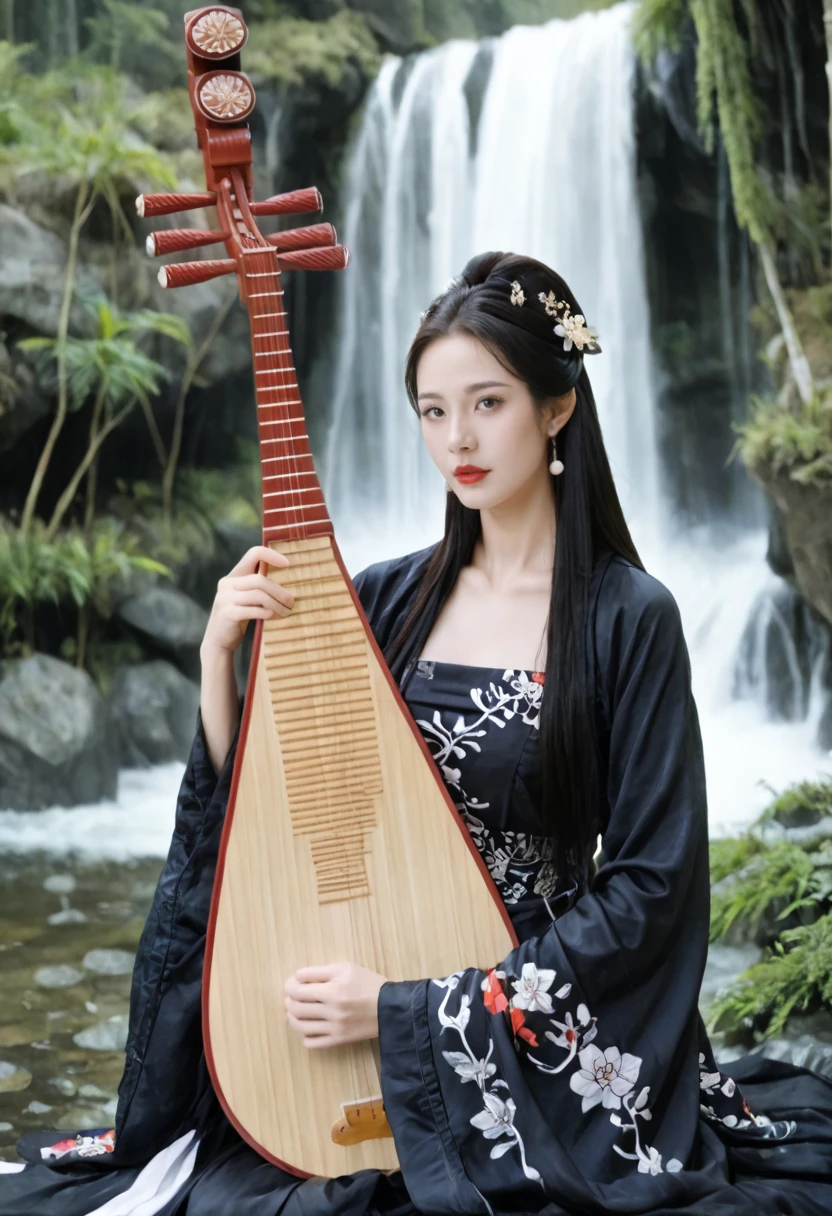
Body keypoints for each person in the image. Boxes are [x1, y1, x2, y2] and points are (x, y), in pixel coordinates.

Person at [2, 251, 831, 1215]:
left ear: (557, 408)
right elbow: (272, 815)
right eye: (434, 412)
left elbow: (652, 885)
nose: (458, 440)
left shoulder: (627, 616)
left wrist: (407, 1009)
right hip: (353, 980)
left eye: (487, 404)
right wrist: (215, 665)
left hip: (529, 1012)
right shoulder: (384, 600)